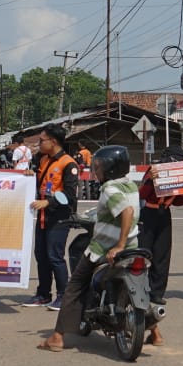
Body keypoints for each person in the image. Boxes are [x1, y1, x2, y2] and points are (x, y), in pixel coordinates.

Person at [36, 145, 139, 351]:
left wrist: (118, 245)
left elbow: (126, 211)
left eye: (98, 167)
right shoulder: (131, 186)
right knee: (139, 282)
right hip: (134, 246)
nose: (95, 171)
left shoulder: (109, 189)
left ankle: (57, 338)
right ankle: (154, 332)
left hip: (104, 248)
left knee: (74, 286)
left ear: (110, 168)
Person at [25, 124, 79, 310]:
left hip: (59, 217)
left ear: (53, 141)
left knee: (55, 256)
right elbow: (41, 183)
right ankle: (43, 294)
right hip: (42, 216)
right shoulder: (43, 160)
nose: (39, 143)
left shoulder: (68, 163)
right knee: (41, 255)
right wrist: (29, 176)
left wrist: (48, 203)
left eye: (42, 140)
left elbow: (70, 194)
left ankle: (63, 296)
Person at [138, 159, 174, 332]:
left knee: (162, 254)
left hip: (164, 213)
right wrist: (150, 180)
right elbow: (141, 194)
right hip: (148, 213)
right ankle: (141, 289)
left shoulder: (180, 173)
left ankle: (157, 292)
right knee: (144, 253)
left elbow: (180, 200)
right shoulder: (153, 170)